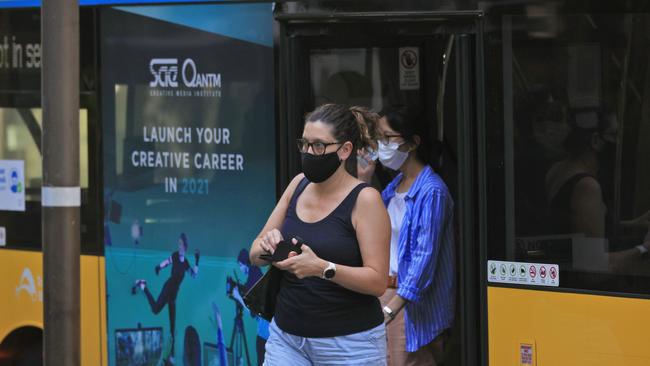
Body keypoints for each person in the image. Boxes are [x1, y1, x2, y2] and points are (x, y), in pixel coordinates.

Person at [248, 104, 390, 365]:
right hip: (287, 339)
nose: (309, 152)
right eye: (305, 144)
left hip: (350, 346)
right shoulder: (298, 184)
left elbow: (378, 281)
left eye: (318, 146)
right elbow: (254, 253)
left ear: (345, 150)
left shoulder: (365, 200)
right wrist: (268, 246)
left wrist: (322, 268)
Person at [358, 105, 455, 366]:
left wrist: (393, 306)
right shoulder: (394, 187)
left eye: (386, 138)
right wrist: (364, 180)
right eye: (377, 138)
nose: (380, 145)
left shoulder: (431, 191)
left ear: (412, 143)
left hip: (408, 303)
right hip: (386, 293)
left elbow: (424, 256)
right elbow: (366, 227)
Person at [545, 107, 650, 273]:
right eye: (614, 135)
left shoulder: (557, 169)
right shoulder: (586, 187)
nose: (618, 142)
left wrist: (633, 224)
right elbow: (592, 267)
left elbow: (576, 230)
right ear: (595, 141)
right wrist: (643, 249)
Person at [132, 232, 200, 364]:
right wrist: (159, 267)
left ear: (185, 247)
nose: (178, 246)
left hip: (173, 295)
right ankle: (143, 286)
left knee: (172, 326)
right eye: (178, 243)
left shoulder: (185, 263)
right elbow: (167, 262)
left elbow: (194, 275)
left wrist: (197, 260)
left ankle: (171, 356)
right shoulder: (174, 256)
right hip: (168, 288)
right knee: (156, 310)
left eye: (180, 244)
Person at [230, 249, 270, 366]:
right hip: (267, 332)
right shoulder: (256, 274)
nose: (240, 269)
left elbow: (252, 310)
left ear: (245, 263)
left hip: (265, 334)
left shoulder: (254, 277)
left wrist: (238, 297)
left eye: (240, 265)